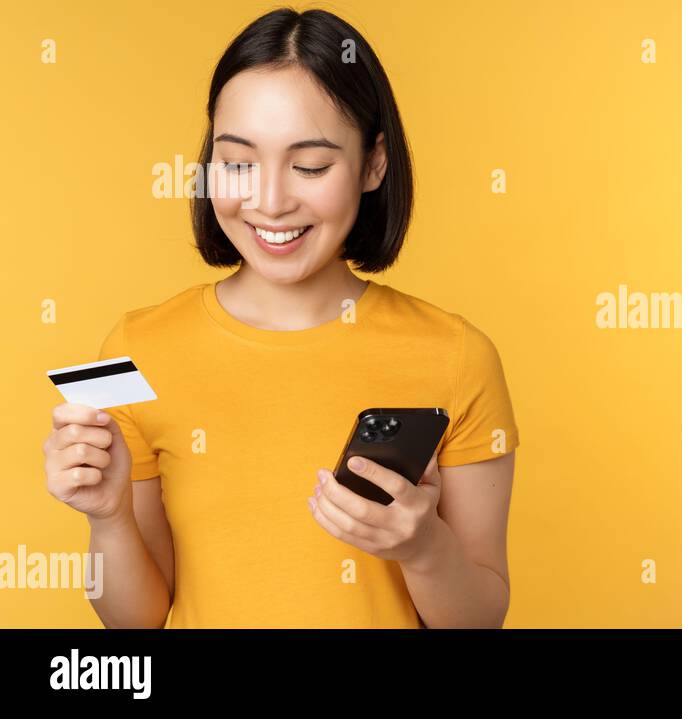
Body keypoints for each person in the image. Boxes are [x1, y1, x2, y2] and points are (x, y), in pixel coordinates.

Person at [40, 8, 519, 628]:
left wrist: (422, 547)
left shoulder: (457, 355)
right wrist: (106, 518)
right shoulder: (133, 349)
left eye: (311, 166)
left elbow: (479, 620)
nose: (269, 200)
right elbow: (137, 628)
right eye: (238, 160)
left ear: (375, 163)